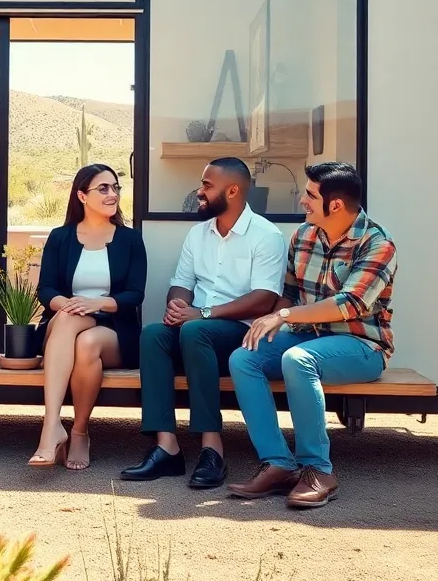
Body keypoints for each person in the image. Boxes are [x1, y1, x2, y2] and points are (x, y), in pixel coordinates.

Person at [226, 161, 396, 509]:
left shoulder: (378, 244)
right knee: (244, 358)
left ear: (335, 204)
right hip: (306, 337)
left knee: (298, 359)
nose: (302, 201)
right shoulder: (303, 235)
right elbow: (288, 292)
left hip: (361, 346)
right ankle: (278, 464)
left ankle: (318, 470)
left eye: (310, 195)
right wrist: (274, 318)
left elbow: (348, 304)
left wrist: (285, 315)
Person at [119, 157, 286, 489]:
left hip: (242, 333)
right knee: (153, 335)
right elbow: (181, 282)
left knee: (196, 330)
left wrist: (201, 314)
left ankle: (213, 449)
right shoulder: (198, 234)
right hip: (197, 330)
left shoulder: (266, 236)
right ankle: (166, 447)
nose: (200, 191)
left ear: (233, 190)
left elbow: (264, 299)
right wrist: (177, 305)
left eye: (207, 185)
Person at [27, 164, 147, 470]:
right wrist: (66, 304)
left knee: (87, 342)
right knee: (69, 321)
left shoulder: (130, 239)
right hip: (65, 320)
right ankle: (55, 425)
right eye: (103, 188)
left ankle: (74, 430)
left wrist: (95, 303)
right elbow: (46, 289)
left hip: (114, 328)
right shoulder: (60, 237)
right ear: (82, 195)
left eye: (115, 187)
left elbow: (135, 294)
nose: (112, 194)